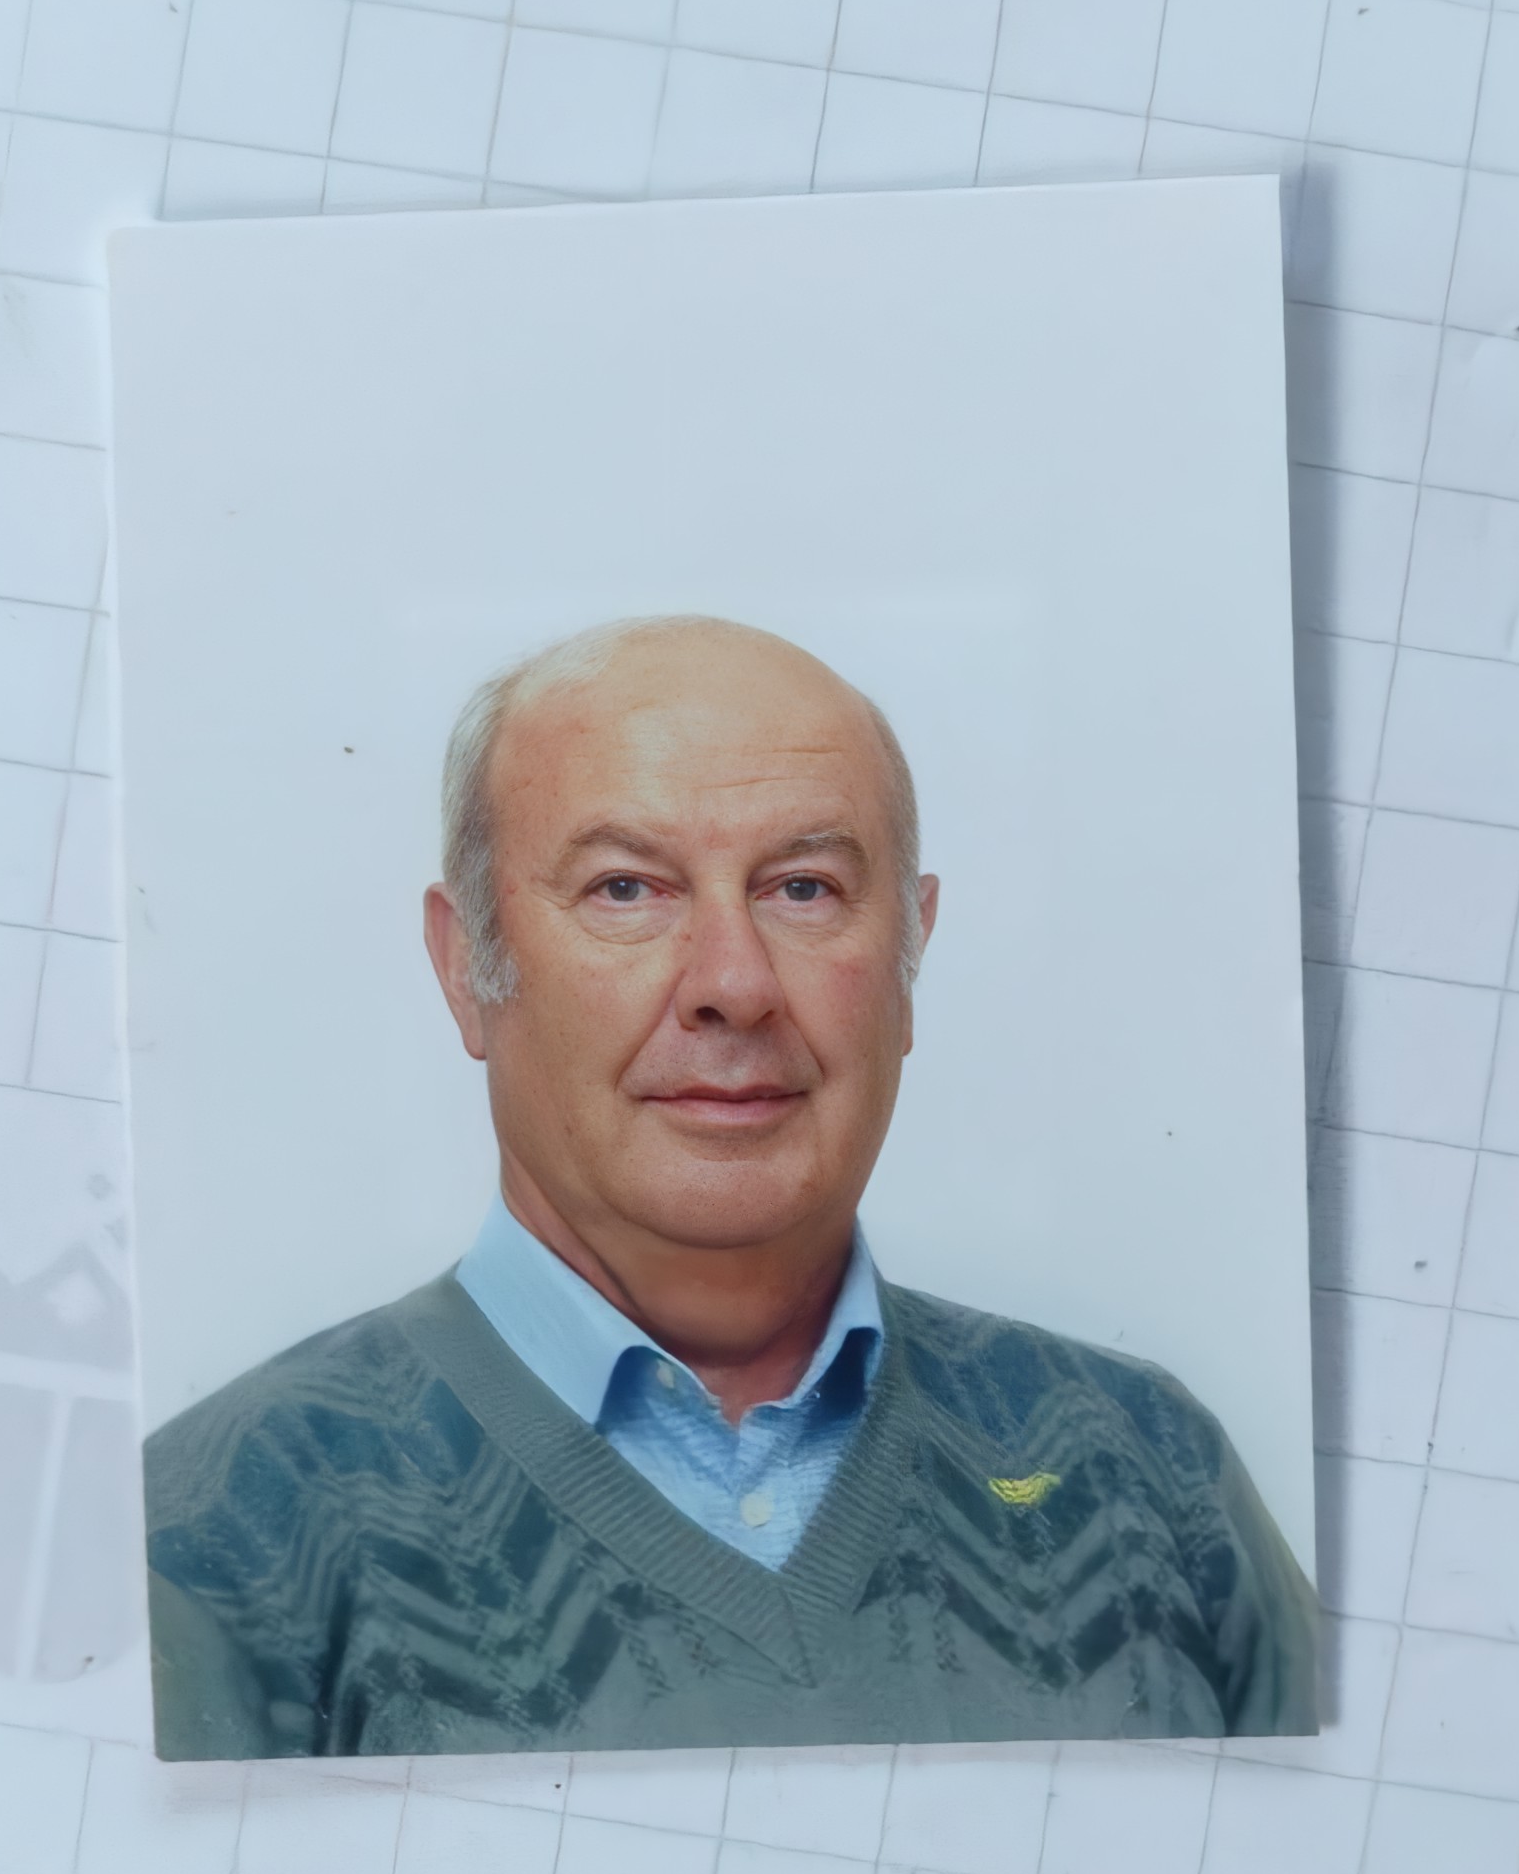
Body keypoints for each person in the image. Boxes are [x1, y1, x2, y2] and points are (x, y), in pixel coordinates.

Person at [145, 616, 1316, 1758]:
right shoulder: (221, 1533)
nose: (735, 984)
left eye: (803, 889)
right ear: (465, 969)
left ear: (909, 959)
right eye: (626, 889)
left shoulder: (1149, 1468)